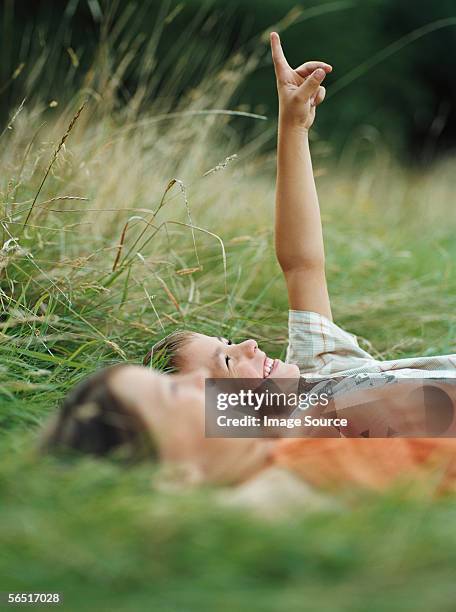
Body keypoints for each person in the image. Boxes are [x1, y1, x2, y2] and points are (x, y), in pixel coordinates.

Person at [144, 32, 456, 383]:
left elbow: (301, 265)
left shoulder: (319, 372)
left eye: (229, 343)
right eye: (228, 361)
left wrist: (293, 125)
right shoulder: (282, 432)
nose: (249, 344)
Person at [41, 363, 456, 498]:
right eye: (171, 390)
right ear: (176, 474)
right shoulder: (295, 478)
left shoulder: (300, 441)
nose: (198, 377)